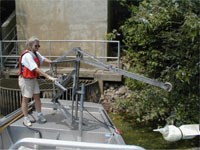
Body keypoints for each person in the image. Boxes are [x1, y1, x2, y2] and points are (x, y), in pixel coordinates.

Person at [18, 36, 56, 126]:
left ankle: (39, 114)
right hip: (26, 80)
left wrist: (53, 62)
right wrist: (48, 77)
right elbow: (35, 68)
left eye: (39, 46)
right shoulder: (27, 56)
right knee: (26, 98)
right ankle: (26, 118)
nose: (38, 47)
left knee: (37, 96)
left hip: (33, 79)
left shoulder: (35, 53)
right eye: (36, 46)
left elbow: (43, 59)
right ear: (30, 46)